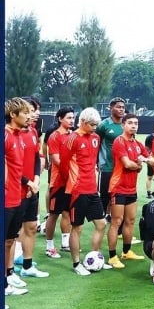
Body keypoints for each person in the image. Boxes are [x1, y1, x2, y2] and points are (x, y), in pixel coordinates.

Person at [60, 107, 111, 276]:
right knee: (78, 228)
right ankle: (76, 264)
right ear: (82, 122)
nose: (95, 128)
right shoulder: (72, 138)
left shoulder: (96, 138)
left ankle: (93, 256)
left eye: (96, 125)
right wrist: (71, 183)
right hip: (77, 190)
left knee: (101, 224)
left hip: (92, 189)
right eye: (91, 125)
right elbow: (64, 165)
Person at [106, 114, 154, 269]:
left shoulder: (138, 144)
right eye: (130, 123)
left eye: (136, 123)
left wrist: (144, 160)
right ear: (123, 125)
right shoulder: (119, 142)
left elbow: (153, 161)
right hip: (118, 187)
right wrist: (140, 164)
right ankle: (112, 256)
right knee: (116, 222)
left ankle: (126, 252)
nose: (134, 126)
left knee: (130, 221)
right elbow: (127, 164)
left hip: (131, 189)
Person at [16, 97, 49, 279]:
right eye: (30, 110)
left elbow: (36, 159)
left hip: (32, 187)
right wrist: (27, 183)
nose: (34, 113)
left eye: (35, 110)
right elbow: (10, 166)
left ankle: (27, 266)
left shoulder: (33, 132)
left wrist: (35, 181)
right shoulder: (9, 134)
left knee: (30, 227)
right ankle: (10, 270)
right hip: (16, 189)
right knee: (11, 234)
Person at [4, 98, 32, 297]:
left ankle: (5, 281)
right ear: (13, 115)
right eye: (25, 113)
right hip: (3, 200)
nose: (29, 116)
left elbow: (16, 169)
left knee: (8, 241)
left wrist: (27, 183)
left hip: (17, 196)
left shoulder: (20, 136)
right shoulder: (2, 136)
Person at [44, 107, 76, 258]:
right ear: (60, 119)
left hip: (71, 181)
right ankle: (49, 246)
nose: (72, 120)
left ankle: (65, 243)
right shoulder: (55, 136)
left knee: (68, 213)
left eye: (73, 118)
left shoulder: (74, 135)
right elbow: (56, 160)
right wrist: (72, 171)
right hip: (58, 182)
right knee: (54, 214)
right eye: (69, 118)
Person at [96, 97, 125, 221]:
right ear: (111, 108)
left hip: (123, 166)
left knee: (119, 194)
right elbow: (96, 143)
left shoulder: (126, 125)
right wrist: (96, 162)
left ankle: (112, 215)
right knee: (105, 194)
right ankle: (101, 217)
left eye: (123, 107)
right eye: (118, 107)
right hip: (107, 165)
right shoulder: (104, 125)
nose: (121, 109)